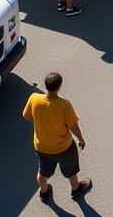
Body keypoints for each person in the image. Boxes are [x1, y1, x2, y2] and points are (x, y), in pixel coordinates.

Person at [22, 72, 91, 203]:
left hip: (42, 147)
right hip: (64, 147)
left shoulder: (34, 98)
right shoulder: (64, 105)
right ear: (59, 86)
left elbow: (27, 116)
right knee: (71, 171)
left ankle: (44, 192)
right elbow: (73, 126)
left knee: (42, 173)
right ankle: (76, 189)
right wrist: (81, 139)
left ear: (45, 85)